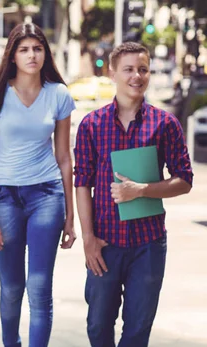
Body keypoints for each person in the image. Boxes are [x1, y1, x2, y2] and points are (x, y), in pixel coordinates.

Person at [74, 42, 193, 347]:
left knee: (138, 331)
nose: (136, 76)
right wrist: (88, 238)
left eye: (143, 69)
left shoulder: (165, 124)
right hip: (104, 243)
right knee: (98, 326)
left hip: (148, 244)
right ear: (112, 73)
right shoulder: (92, 125)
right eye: (128, 69)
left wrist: (142, 191)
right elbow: (82, 183)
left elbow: (184, 180)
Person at [0, 23, 77, 347]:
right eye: (24, 49)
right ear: (13, 55)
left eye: (37, 48)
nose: (32, 55)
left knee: (39, 286)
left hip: (47, 195)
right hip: (4, 198)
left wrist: (71, 217)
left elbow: (64, 157)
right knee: (11, 287)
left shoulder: (58, 95)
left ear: (45, 53)